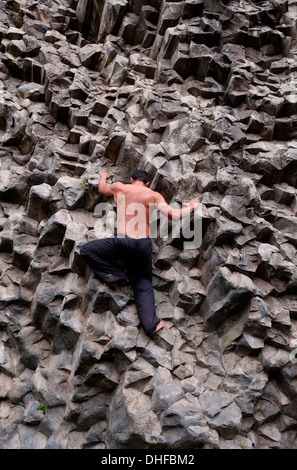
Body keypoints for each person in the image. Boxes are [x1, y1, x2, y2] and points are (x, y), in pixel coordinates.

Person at [80, 169, 199, 336]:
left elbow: (102, 189)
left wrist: (103, 176)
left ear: (131, 179)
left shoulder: (120, 187)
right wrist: (192, 206)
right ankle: (151, 325)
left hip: (122, 241)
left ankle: (114, 275)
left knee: (86, 250)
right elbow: (173, 215)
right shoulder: (153, 195)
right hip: (142, 244)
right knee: (143, 283)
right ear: (147, 183)